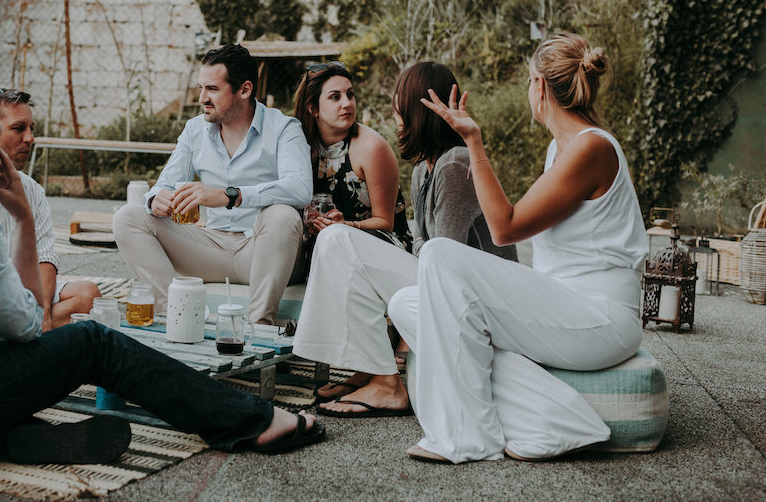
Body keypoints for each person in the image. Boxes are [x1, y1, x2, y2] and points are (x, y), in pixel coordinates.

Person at [0, 93, 325, 471]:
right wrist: (21, 217)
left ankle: (11, 431)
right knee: (95, 343)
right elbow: (26, 329)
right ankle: (252, 421)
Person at [387, 33, 647, 463]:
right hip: (563, 307)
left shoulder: (592, 148)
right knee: (407, 304)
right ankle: (557, 418)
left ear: (539, 87)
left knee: (437, 256)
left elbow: (505, 228)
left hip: (600, 319)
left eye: (529, 81)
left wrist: (474, 143)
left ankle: (466, 436)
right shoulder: (561, 148)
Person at [294, 62, 517, 417]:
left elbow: (445, 257)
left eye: (400, 106)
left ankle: (387, 384)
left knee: (338, 240)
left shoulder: (454, 165)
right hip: (445, 281)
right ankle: (371, 369)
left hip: (478, 298)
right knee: (336, 241)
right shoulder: (422, 171)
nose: (395, 115)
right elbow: (423, 245)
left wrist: (406, 336)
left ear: (418, 111)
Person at [113, 43, 312, 325]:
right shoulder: (195, 129)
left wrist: (231, 196)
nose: (202, 98)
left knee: (282, 215)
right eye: (201, 88)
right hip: (211, 248)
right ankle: (179, 315)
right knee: (128, 217)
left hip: (265, 250)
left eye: (213, 89)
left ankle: (259, 325)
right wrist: (157, 199)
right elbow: (163, 185)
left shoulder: (284, 128)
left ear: (244, 89)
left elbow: (300, 188)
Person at [0, 87, 100, 332]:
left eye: (32, 128)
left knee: (89, 296)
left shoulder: (32, 190)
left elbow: (44, 259)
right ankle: (19, 330)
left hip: (22, 292)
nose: (30, 138)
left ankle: (28, 328)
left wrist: (41, 314)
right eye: (18, 128)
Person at [292, 61, 411, 257]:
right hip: (325, 244)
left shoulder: (371, 147)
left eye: (350, 94)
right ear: (313, 108)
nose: (347, 103)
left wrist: (344, 226)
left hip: (380, 246)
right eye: (335, 97)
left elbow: (385, 222)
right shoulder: (300, 145)